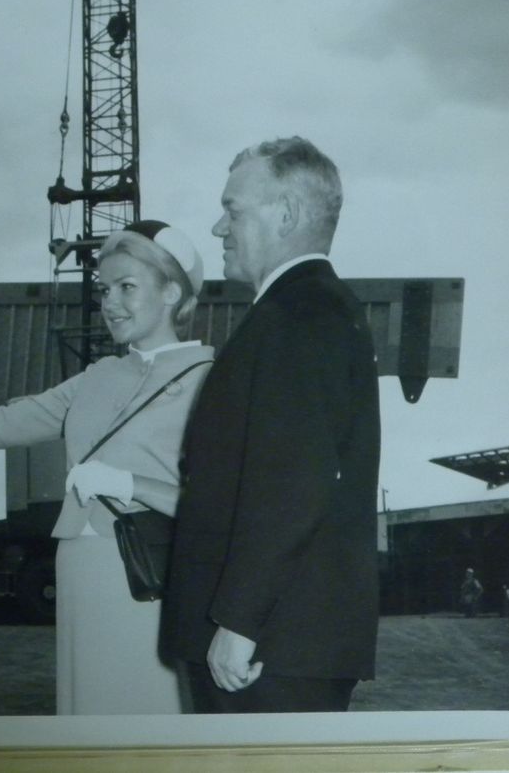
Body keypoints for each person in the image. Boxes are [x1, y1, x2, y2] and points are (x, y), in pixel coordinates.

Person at [0, 220, 213, 715]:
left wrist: (128, 483)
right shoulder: (96, 378)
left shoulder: (212, 379)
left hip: (153, 576)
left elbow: (218, 504)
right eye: (104, 289)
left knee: (148, 722)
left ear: (172, 292)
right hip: (79, 567)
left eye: (127, 287)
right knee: (87, 719)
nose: (109, 302)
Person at [161, 136, 381, 714]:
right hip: (284, 641)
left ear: (284, 216)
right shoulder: (313, 310)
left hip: (266, 648)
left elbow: (293, 483)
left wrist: (239, 620)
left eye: (232, 210)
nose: (217, 228)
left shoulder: (297, 316)